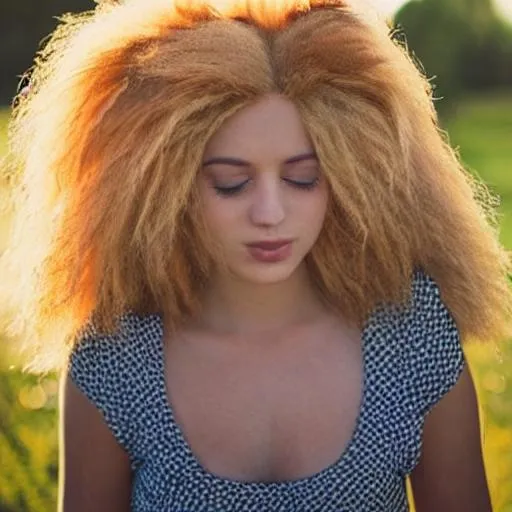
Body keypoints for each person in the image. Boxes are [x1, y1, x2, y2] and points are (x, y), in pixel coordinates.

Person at [3, 0, 512, 510]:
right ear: (166, 185)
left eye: (302, 178)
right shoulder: (115, 354)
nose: (270, 213)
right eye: (231, 184)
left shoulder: (412, 330)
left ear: (348, 174)